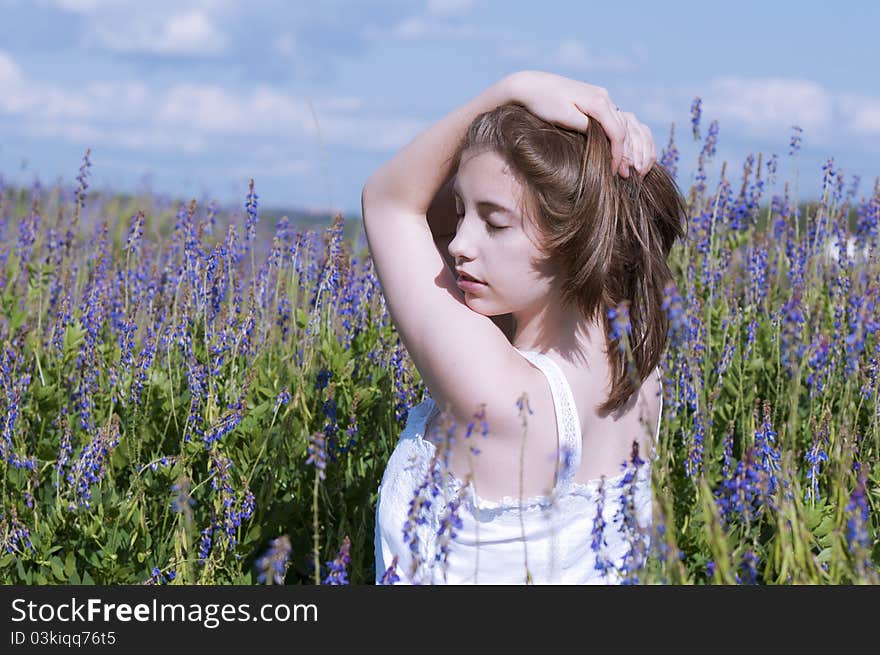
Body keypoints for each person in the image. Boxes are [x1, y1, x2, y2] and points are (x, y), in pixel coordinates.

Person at [362, 70, 688, 584]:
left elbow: (390, 201)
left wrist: (510, 89)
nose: (458, 244)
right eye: (462, 212)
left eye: (494, 223)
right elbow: (435, 219)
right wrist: (598, 157)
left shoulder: (497, 394)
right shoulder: (641, 366)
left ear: (571, 237)